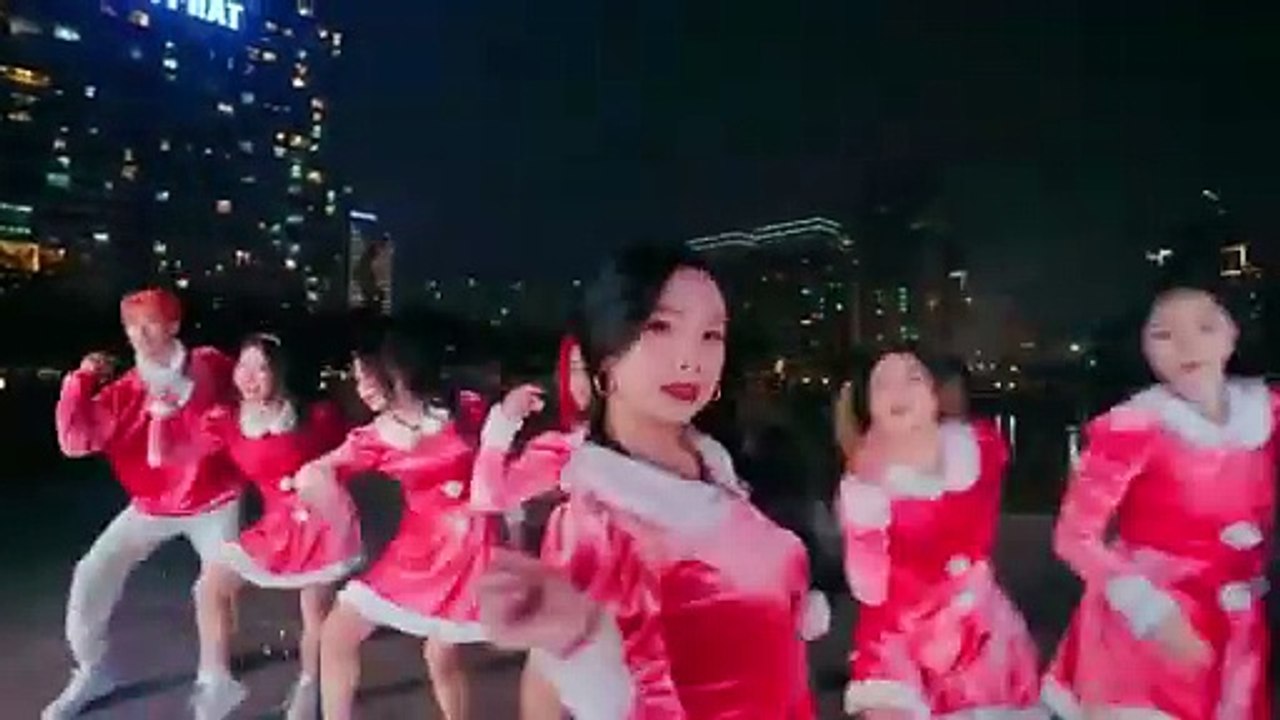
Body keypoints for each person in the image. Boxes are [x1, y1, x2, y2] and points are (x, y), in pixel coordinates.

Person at [475, 245, 830, 719]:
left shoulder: (721, 465)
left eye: (711, 334)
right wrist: (576, 640)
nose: (691, 360)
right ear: (604, 355)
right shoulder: (598, 522)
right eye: (660, 327)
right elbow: (560, 684)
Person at [1042, 287, 1277, 719]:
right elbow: (1074, 536)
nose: (1187, 345)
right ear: (1144, 348)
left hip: (1236, 623)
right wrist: (1151, 612)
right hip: (1146, 632)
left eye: (1204, 327)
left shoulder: (1268, 414)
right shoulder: (1134, 426)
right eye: (1164, 334)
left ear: (1232, 334)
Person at [44, 288, 242, 720]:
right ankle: (94, 669)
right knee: (93, 571)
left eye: (150, 323)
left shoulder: (209, 363)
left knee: (215, 587)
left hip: (215, 499)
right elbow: (75, 442)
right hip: (152, 504)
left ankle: (215, 678)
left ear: (173, 325)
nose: (140, 334)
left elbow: (246, 399)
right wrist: (79, 382)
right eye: (132, 326)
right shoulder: (123, 393)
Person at [294, 329, 490, 720]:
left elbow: (503, 458)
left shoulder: (467, 408)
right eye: (356, 379)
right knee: (337, 634)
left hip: (471, 545)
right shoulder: (371, 438)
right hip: (414, 552)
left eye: (367, 376)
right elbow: (319, 470)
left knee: (441, 655)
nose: (361, 388)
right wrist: (326, 498)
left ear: (396, 371)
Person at [837, 349, 1042, 718]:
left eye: (913, 379)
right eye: (883, 384)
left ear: (935, 393)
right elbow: (869, 586)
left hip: (982, 638)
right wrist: (866, 505)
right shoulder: (863, 488)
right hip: (900, 642)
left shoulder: (977, 446)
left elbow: (972, 502)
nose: (899, 392)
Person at [187, 333, 357, 720]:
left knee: (315, 611)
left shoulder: (316, 417)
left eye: (261, 368)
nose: (250, 377)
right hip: (274, 525)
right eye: (243, 367)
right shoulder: (227, 421)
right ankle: (217, 680)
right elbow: (195, 455)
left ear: (279, 373)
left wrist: (320, 483)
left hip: (320, 523)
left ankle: (310, 685)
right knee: (210, 586)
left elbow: (350, 456)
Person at [472, 335, 590, 720]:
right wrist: (504, 422)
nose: (584, 380)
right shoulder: (561, 447)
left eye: (595, 366)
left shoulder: (674, 447)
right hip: (569, 608)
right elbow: (490, 495)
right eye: (575, 369)